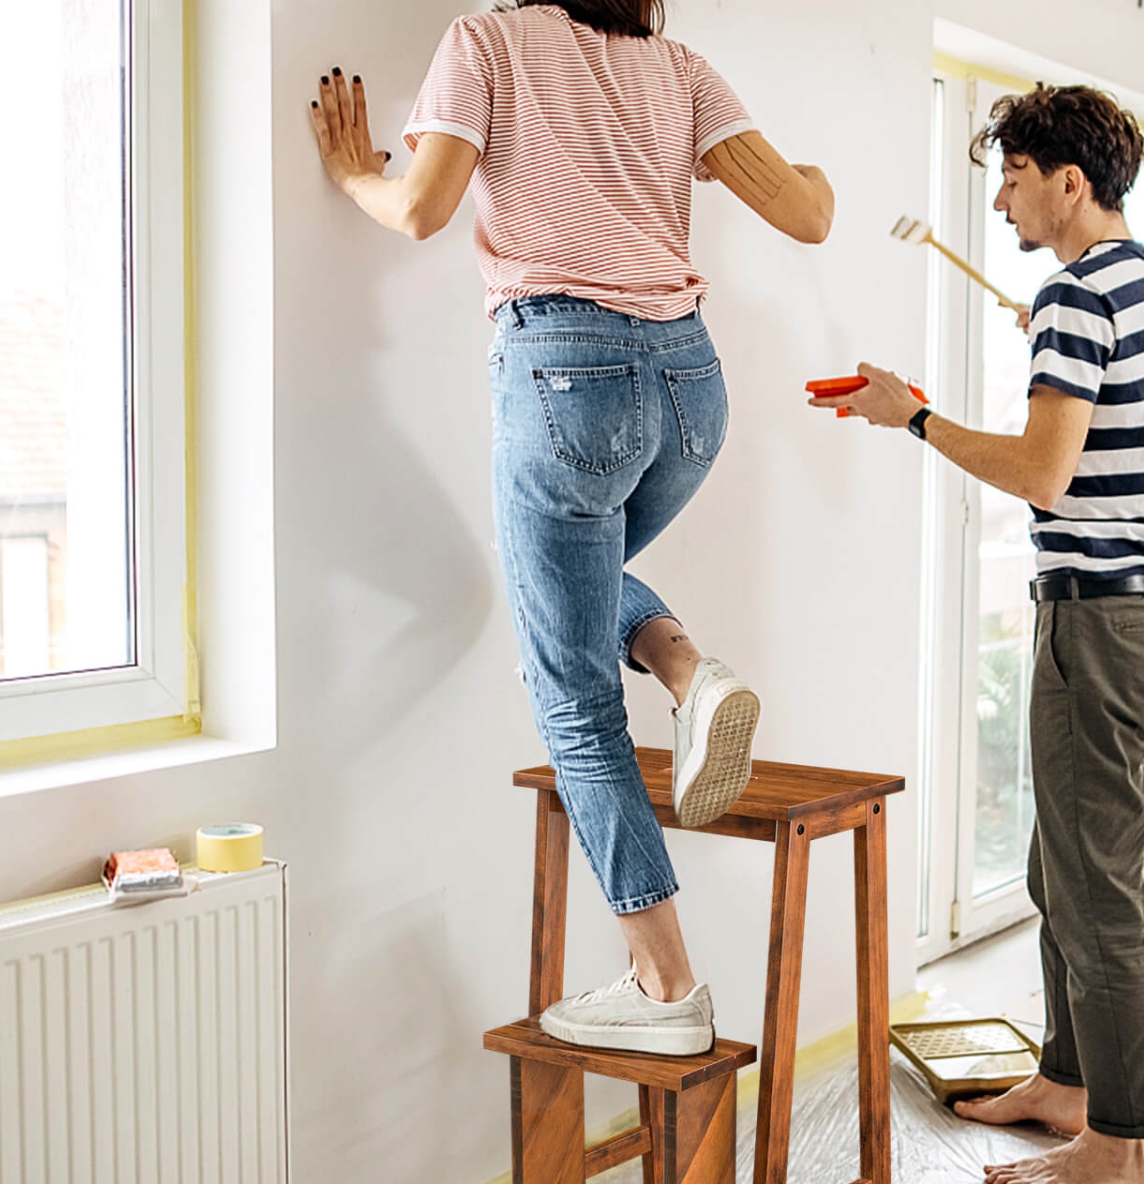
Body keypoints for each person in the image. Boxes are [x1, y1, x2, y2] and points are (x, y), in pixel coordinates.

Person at [309, 1, 833, 1055]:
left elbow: (421, 208)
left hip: (566, 377)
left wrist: (353, 173)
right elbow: (810, 214)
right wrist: (805, 172)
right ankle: (685, 670)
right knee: (567, 594)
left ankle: (665, 986)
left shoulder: (489, 42)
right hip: (690, 390)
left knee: (572, 693)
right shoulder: (680, 70)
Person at [812, 85, 1144, 1184]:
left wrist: (912, 416)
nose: (1000, 202)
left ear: (1069, 183)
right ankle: (1068, 1083)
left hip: (1098, 616)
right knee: (1061, 867)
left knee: (1093, 888)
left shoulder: (1076, 296)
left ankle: (1118, 1144)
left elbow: (1044, 473)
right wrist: (1055, 352)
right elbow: (1122, 428)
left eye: (1013, 177)